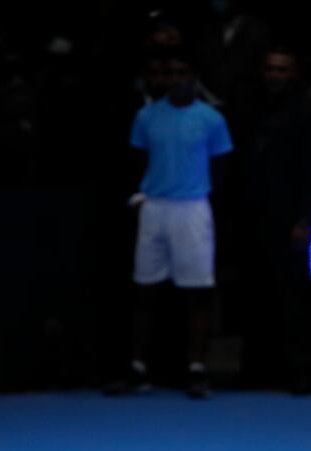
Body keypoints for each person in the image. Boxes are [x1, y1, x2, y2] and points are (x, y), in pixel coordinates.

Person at [112, 46, 233, 398]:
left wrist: (202, 198)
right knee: (144, 290)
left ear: (193, 77)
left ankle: (196, 368)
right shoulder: (147, 116)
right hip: (154, 208)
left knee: (197, 292)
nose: (176, 80)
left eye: (182, 73)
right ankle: (137, 367)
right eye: (170, 73)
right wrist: (144, 194)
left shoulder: (212, 119)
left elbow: (221, 170)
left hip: (194, 208)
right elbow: (138, 161)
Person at [227, 46, 311, 393]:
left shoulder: (307, 112)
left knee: (294, 299)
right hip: (253, 220)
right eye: (270, 68)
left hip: (291, 222)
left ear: (293, 74)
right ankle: (254, 369)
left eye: (282, 69)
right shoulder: (249, 110)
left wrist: (304, 220)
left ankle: (301, 370)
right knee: (254, 296)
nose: (275, 75)